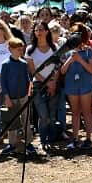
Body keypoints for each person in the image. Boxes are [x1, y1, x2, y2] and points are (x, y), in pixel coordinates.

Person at [60, 24, 92, 149]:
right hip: (71, 84)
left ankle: (88, 138)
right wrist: (70, 59)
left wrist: (80, 60)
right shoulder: (67, 52)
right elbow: (62, 71)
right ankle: (75, 139)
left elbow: (91, 70)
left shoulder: (88, 50)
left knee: (86, 111)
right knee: (75, 112)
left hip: (85, 84)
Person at [0, 37, 36, 156]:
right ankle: (12, 143)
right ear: (10, 49)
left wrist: (29, 93)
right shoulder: (6, 64)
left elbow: (28, 79)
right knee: (12, 121)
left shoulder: (23, 63)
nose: (20, 52)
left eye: (22, 49)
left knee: (26, 119)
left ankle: (29, 142)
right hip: (11, 97)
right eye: (18, 49)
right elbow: (3, 82)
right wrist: (6, 97)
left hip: (23, 96)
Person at [27, 22, 58, 153]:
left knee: (51, 114)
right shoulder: (30, 50)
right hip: (38, 85)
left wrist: (53, 82)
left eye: (41, 29)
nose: (38, 32)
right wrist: (47, 82)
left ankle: (50, 139)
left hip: (53, 83)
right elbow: (33, 71)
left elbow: (58, 66)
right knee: (43, 115)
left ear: (47, 31)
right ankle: (42, 140)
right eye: (36, 30)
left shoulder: (54, 47)